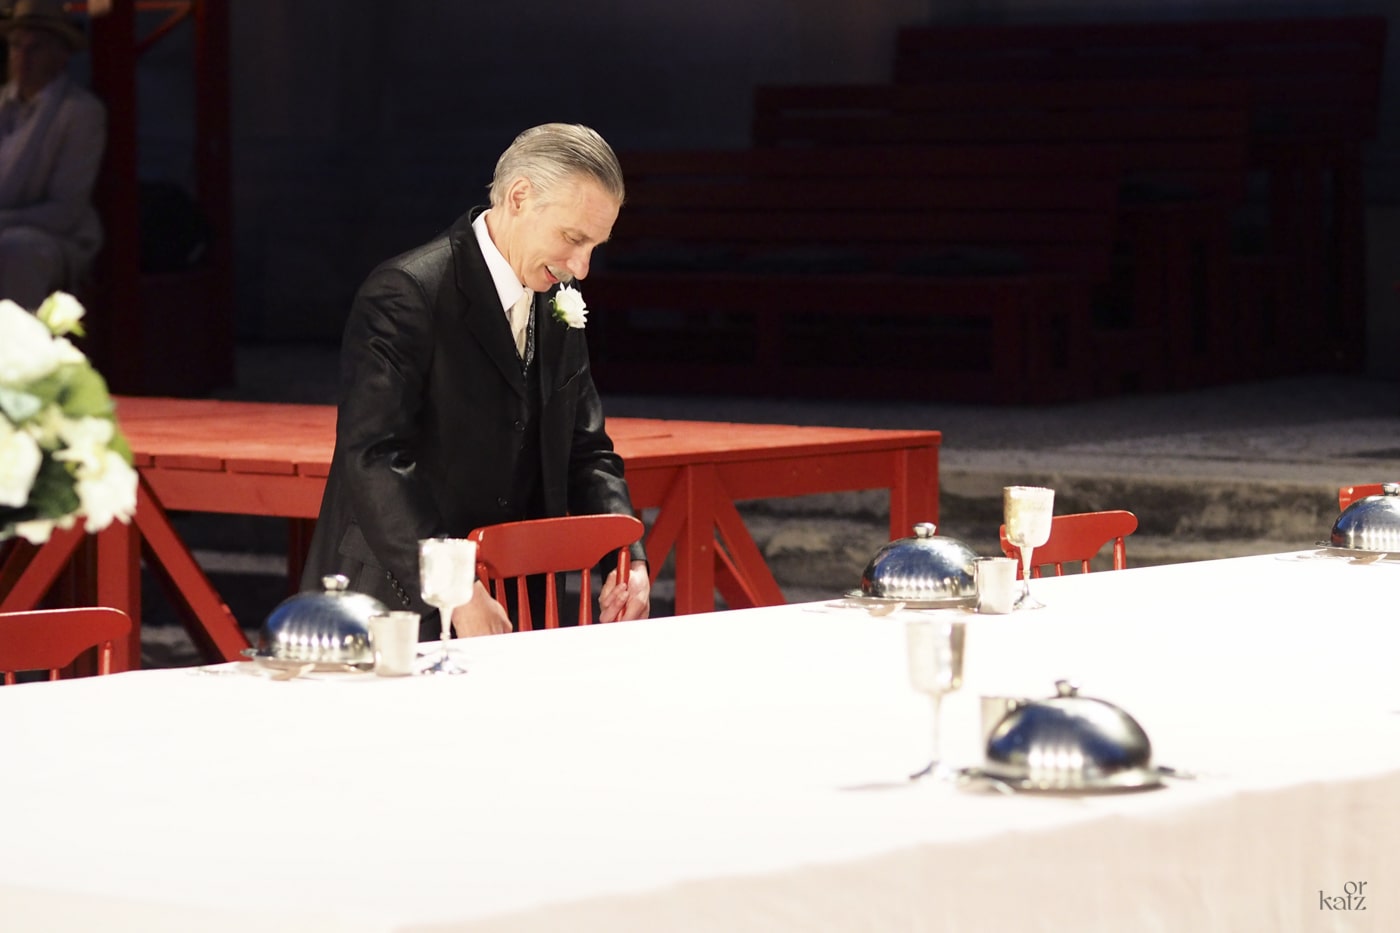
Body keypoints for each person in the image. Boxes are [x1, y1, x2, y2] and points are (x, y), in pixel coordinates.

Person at [301, 123, 651, 640]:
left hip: (519, 598)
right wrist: (456, 586)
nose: (581, 267)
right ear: (518, 197)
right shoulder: (407, 292)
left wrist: (626, 559)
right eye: (573, 238)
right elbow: (374, 457)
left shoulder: (557, 299)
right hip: (396, 603)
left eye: (595, 245)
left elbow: (586, 448)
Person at [0, 0, 104, 309]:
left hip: (52, 236)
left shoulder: (80, 113)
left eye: (36, 48)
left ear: (61, 55)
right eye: (16, 46)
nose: (23, 58)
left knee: (16, 249)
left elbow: (65, 211)